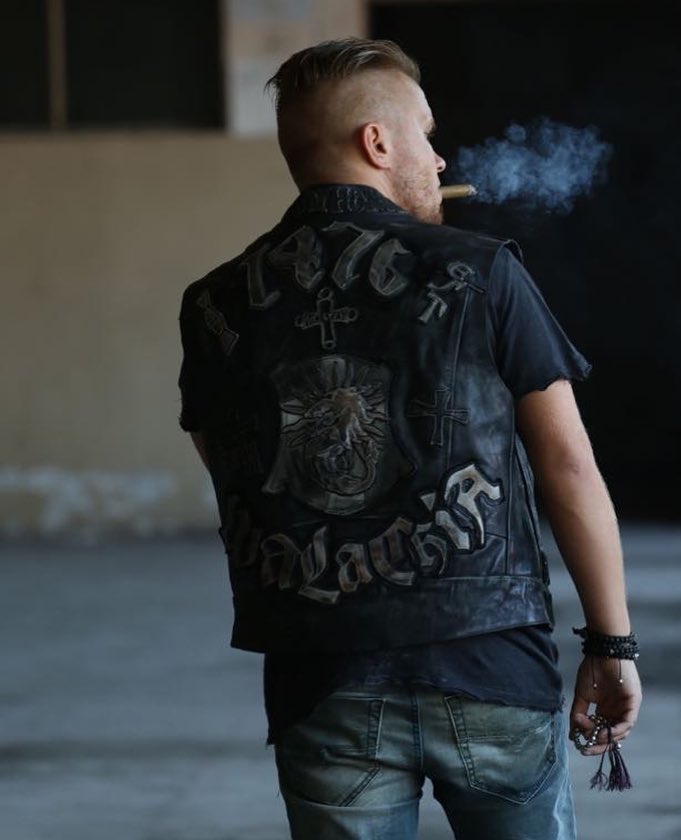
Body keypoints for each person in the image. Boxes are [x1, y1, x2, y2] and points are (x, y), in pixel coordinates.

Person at [178, 37, 642, 840]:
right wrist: (611, 643)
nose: (439, 157)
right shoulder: (483, 269)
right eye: (425, 135)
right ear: (377, 142)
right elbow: (568, 465)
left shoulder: (214, 302)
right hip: (488, 665)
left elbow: (226, 468)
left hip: (319, 677)